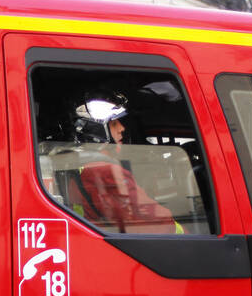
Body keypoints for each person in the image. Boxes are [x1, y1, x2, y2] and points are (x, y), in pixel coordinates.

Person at [68, 93, 184, 234]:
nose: (122, 128)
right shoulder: (105, 171)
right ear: (97, 131)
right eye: (114, 124)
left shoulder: (83, 170)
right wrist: (186, 234)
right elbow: (154, 222)